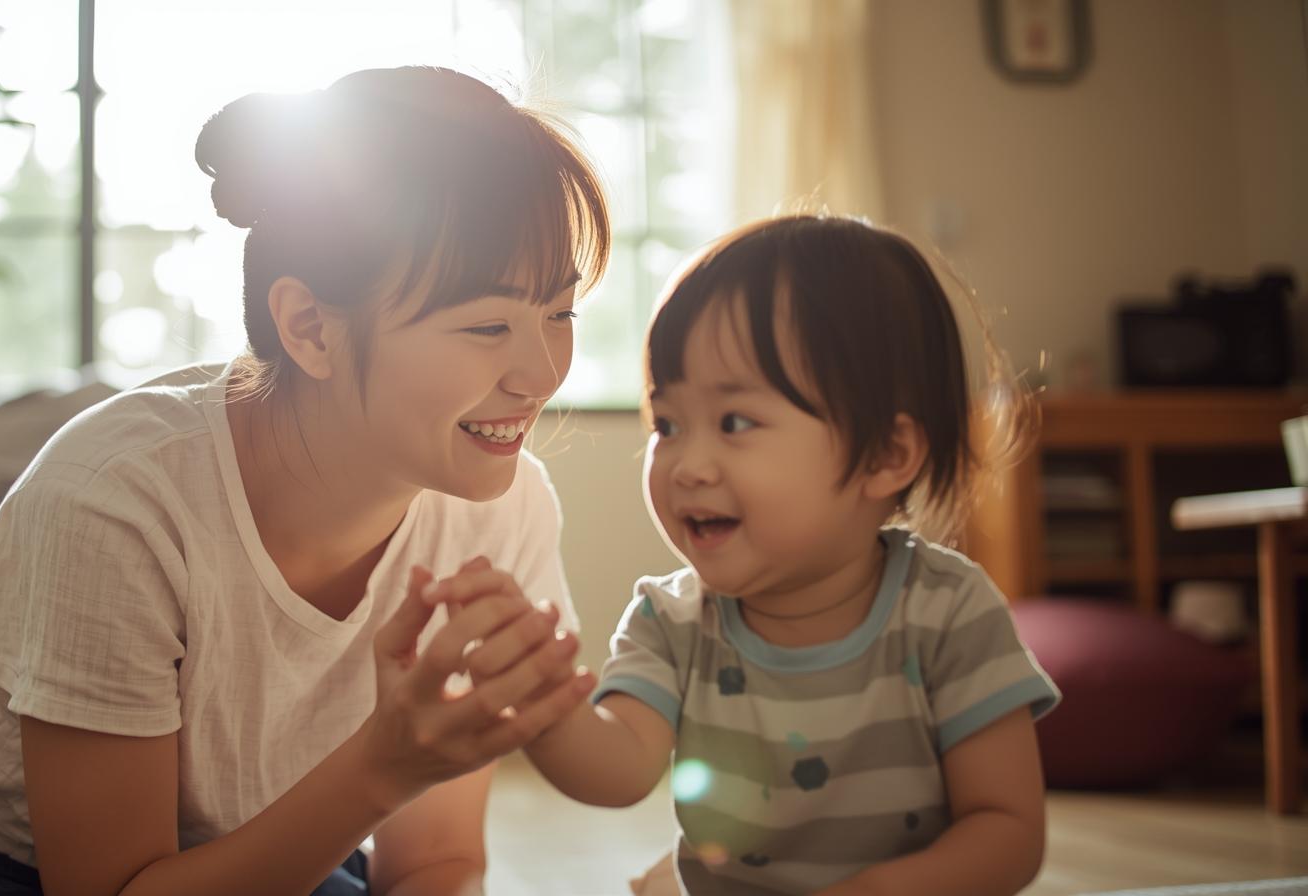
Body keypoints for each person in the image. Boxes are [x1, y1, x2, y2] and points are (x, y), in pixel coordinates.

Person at [0, 66, 610, 896]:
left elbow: (431, 864)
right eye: (488, 324)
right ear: (310, 327)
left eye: (559, 313)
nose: (541, 373)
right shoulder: (119, 497)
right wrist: (381, 768)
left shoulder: (500, 507)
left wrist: (393, 778)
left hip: (209, 857)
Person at [429, 215, 1060, 895]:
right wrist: (541, 701)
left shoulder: (949, 612)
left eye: (735, 423)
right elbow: (619, 770)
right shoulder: (672, 621)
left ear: (887, 455)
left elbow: (1007, 831)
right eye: (668, 424)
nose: (688, 465)